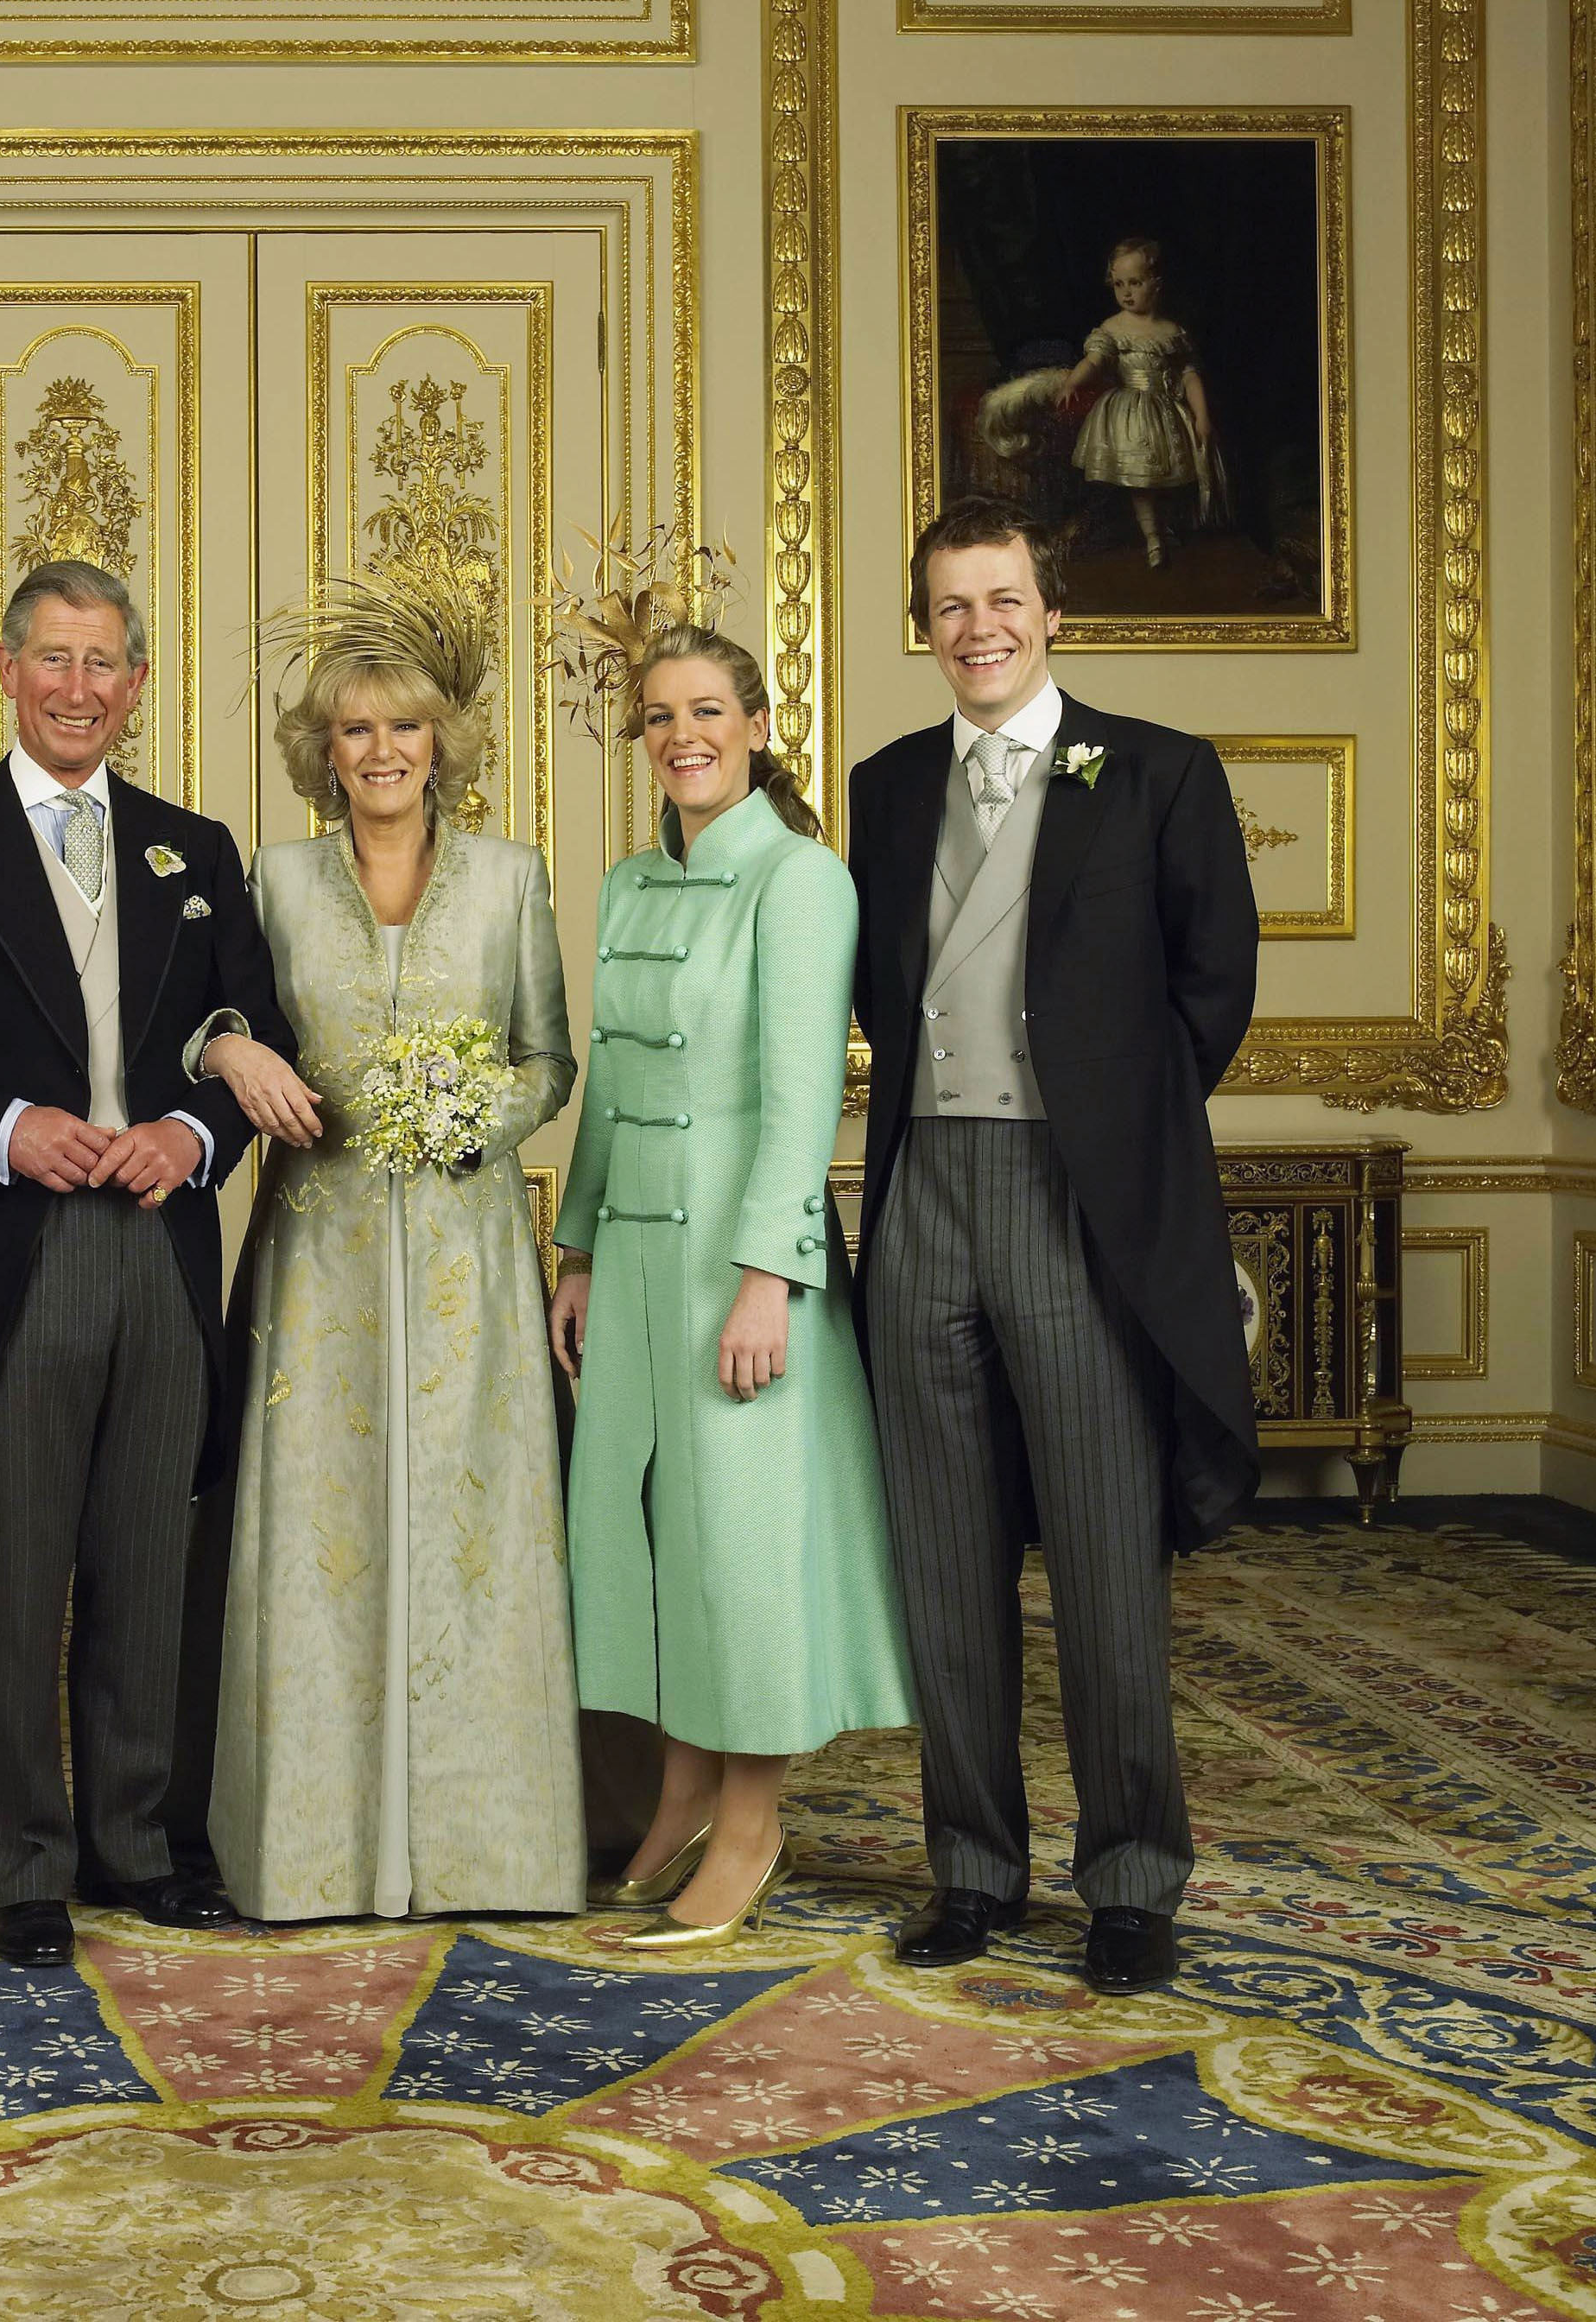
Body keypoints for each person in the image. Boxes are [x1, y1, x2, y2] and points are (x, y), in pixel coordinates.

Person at [0, 559, 294, 1967]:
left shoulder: (194, 849)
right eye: (55, 660)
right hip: (16, 1248)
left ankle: (136, 1843)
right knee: (21, 1571)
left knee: (149, 1561)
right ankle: (26, 1859)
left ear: (138, 685)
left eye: (106, 665)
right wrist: (7, 1125)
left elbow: (254, 1034)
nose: (79, 689)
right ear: (4, 667)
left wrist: (190, 1132)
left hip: (159, 1246)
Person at [847, 497, 1258, 1997]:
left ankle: (1133, 1878)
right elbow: (882, 999)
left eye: (1004, 599)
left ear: (1052, 610)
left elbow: (1212, 987)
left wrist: (1109, 1121)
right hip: (922, 1196)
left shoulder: (1156, 770)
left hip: (1075, 1201)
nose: (981, 629)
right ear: (929, 624)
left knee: (1100, 1557)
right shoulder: (886, 788)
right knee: (943, 1559)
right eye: (953, 606)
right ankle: (973, 1866)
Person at [181, 579, 582, 1921]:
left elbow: (551, 1059)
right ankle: (311, 1853)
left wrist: (489, 1111)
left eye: (403, 729)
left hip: (472, 1262)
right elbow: (209, 1017)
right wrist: (227, 1047)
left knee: (477, 1535)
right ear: (323, 752)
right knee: (323, 1534)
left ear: (441, 742)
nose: (381, 753)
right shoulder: (277, 882)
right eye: (353, 732)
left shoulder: (513, 879)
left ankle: (489, 1852)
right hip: (323, 1259)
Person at [548, 626, 916, 1953]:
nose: (681, 734)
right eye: (657, 716)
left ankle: (753, 1827)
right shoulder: (632, 882)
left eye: (708, 710)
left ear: (759, 725)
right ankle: (682, 1789)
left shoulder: (804, 880)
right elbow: (611, 1083)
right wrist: (579, 1248)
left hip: (743, 1268)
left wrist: (770, 1279)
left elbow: (802, 1097)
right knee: (650, 1539)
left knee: (745, 1556)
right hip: (635, 1266)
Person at [1054, 237, 1226, 570]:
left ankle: (1164, 528)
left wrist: (1202, 416)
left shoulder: (1172, 331)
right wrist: (1073, 381)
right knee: (1141, 481)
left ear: (1157, 284)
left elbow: (1189, 375)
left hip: (1166, 413)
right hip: (1129, 415)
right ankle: (1153, 539)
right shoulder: (1113, 328)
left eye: (1135, 282)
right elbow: (1095, 361)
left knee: (1168, 480)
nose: (1126, 292)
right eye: (1119, 284)